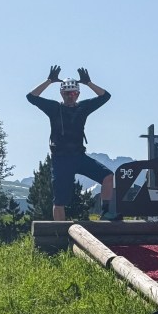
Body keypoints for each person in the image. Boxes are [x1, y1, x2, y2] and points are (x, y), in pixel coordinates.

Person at [27, 65, 119, 221]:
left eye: (74, 93)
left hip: (79, 157)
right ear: (62, 93)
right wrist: (49, 81)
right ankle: (59, 235)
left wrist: (89, 83)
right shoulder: (54, 108)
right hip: (60, 159)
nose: (71, 96)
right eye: (68, 93)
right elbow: (31, 97)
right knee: (59, 202)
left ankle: (105, 213)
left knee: (108, 176)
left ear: (78, 94)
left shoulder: (83, 107)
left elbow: (106, 96)